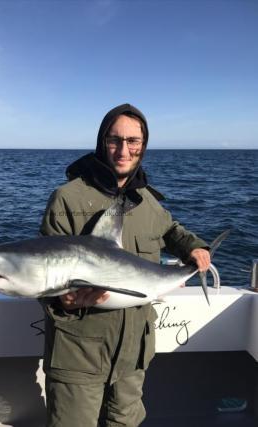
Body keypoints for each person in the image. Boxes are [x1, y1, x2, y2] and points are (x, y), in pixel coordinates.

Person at [39, 103, 210, 427]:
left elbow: (170, 229)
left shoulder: (146, 199)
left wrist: (194, 247)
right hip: (79, 351)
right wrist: (61, 300)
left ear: (143, 145)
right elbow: (41, 266)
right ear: (102, 141)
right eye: (114, 139)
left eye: (133, 141)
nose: (123, 149)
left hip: (135, 349)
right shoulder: (67, 198)